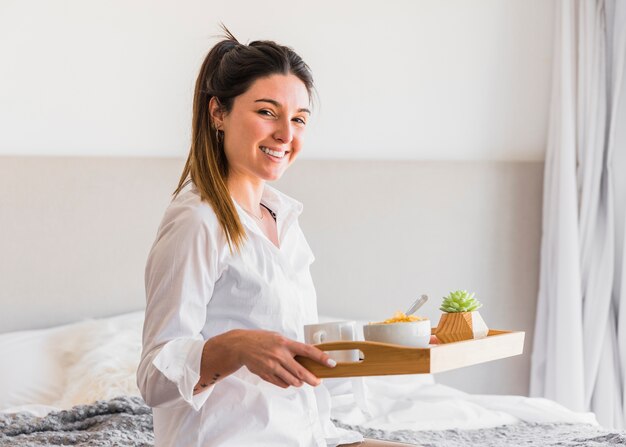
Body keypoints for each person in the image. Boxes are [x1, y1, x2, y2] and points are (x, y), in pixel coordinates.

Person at [137, 28, 416, 447]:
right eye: (267, 112)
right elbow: (154, 378)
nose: (287, 134)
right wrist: (233, 348)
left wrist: (389, 346)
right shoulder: (198, 222)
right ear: (218, 113)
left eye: (299, 118)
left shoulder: (282, 217)